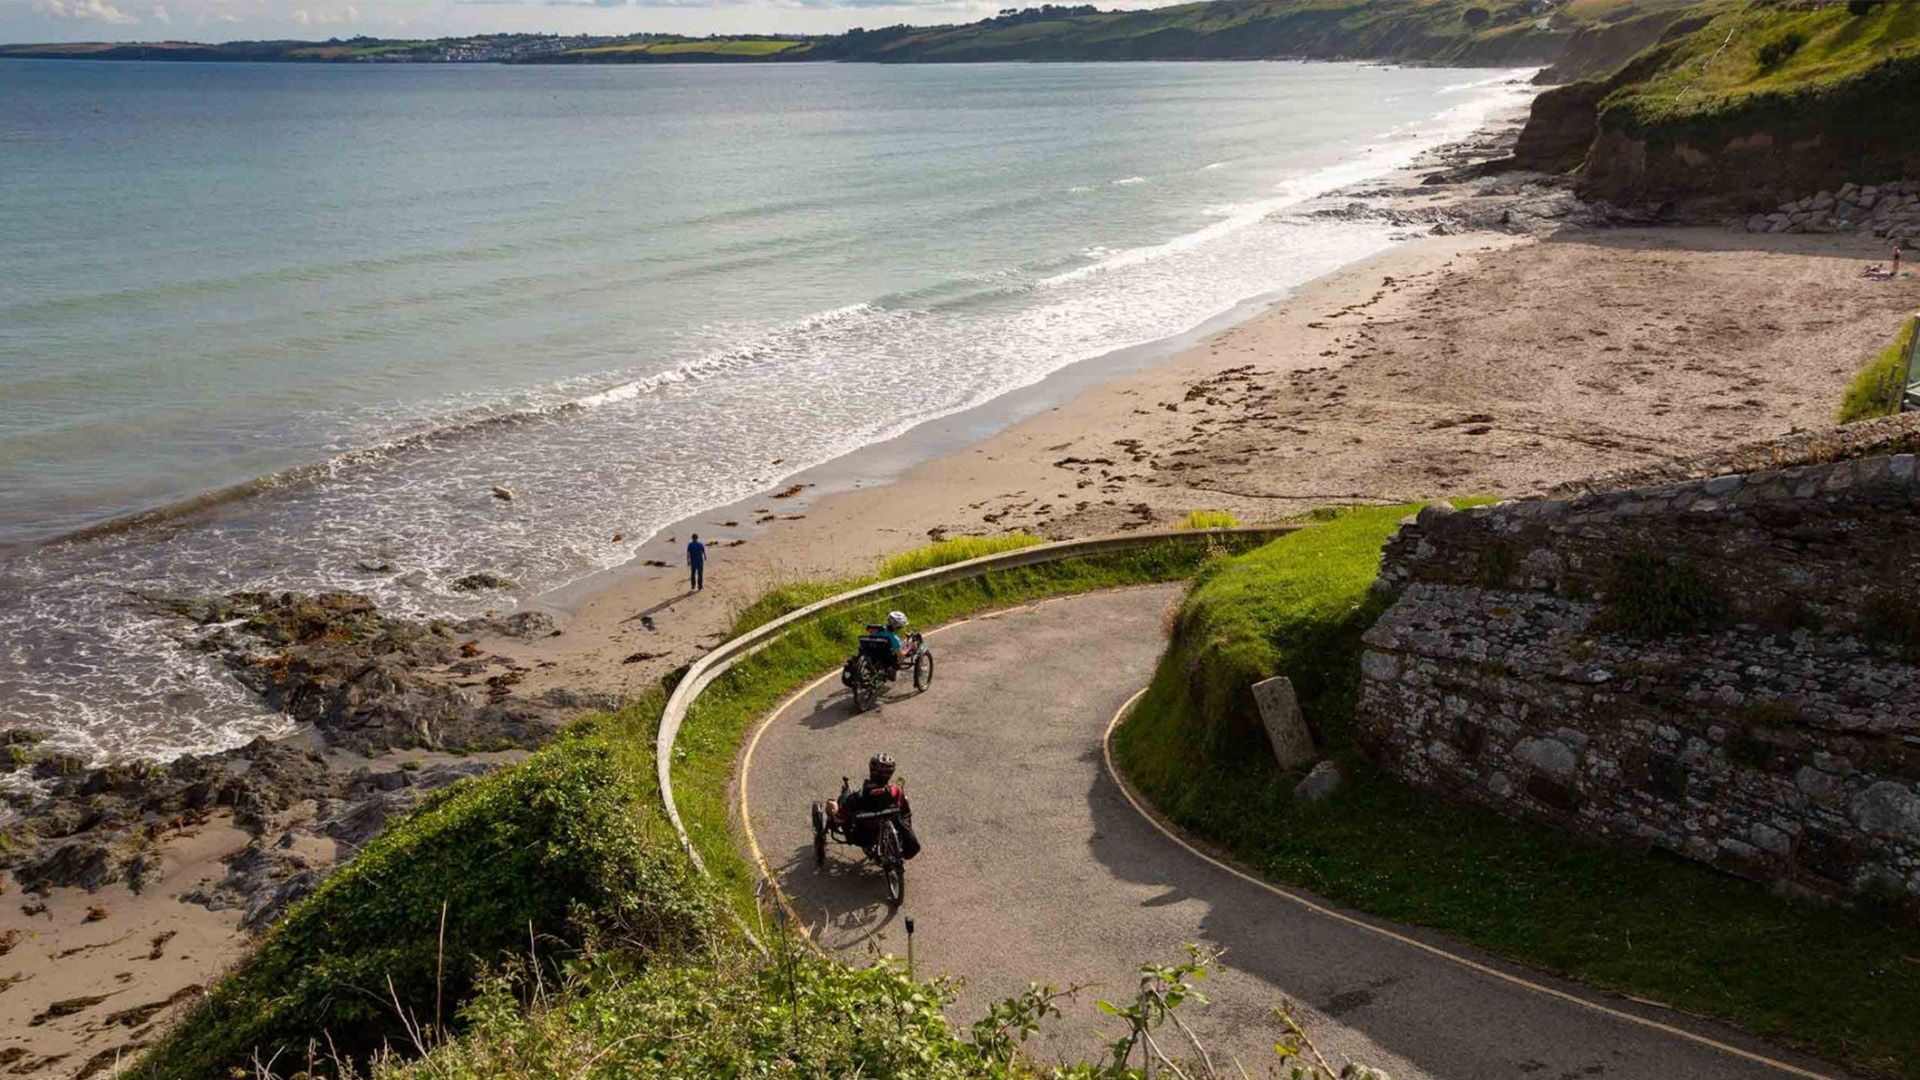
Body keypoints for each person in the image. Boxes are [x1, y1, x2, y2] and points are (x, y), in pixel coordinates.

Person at [829, 753, 918, 856]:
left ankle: (845, 790)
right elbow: (905, 811)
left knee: (844, 798)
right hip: (890, 819)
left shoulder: (858, 797)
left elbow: (842, 816)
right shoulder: (895, 791)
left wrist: (838, 817)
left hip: (864, 836)